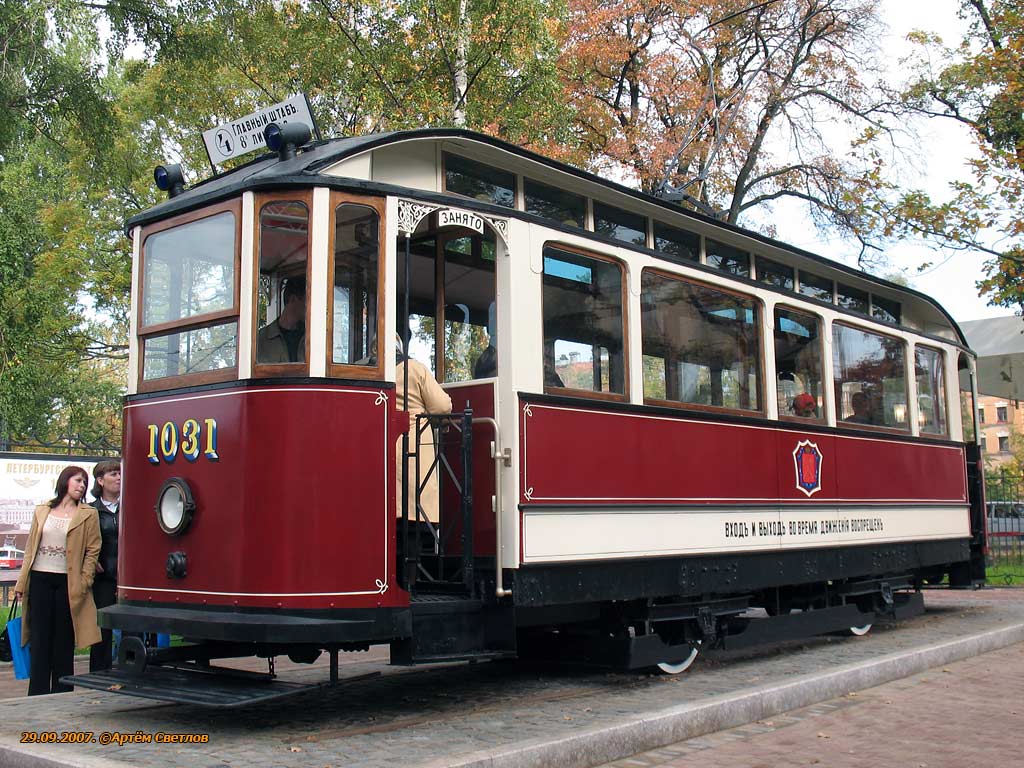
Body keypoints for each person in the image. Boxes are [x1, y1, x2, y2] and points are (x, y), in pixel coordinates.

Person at [14, 466, 101, 695]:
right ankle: (37, 692)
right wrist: (21, 584)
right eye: (78, 480)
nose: (82, 486)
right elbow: (31, 549)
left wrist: (84, 581)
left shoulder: (88, 513)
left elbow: (93, 550)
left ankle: (62, 692)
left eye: (84, 482)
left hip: (68, 582)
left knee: (63, 639)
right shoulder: (43, 510)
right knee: (40, 637)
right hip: (40, 579)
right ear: (65, 481)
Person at [396, 339, 453, 530]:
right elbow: (442, 406)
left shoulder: (372, 375)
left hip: (384, 447)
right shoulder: (413, 369)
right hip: (413, 445)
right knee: (414, 506)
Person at [88, 459, 121, 673]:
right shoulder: (91, 511)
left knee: (132, 627)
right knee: (102, 627)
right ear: (100, 480)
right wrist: (91, 560)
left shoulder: (131, 506)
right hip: (104, 577)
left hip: (129, 577)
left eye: (120, 473)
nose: (119, 478)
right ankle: (100, 671)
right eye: (113, 474)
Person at [257, 277, 306, 363]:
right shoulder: (261, 339)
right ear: (293, 299)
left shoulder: (312, 337)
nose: (311, 306)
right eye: (308, 300)